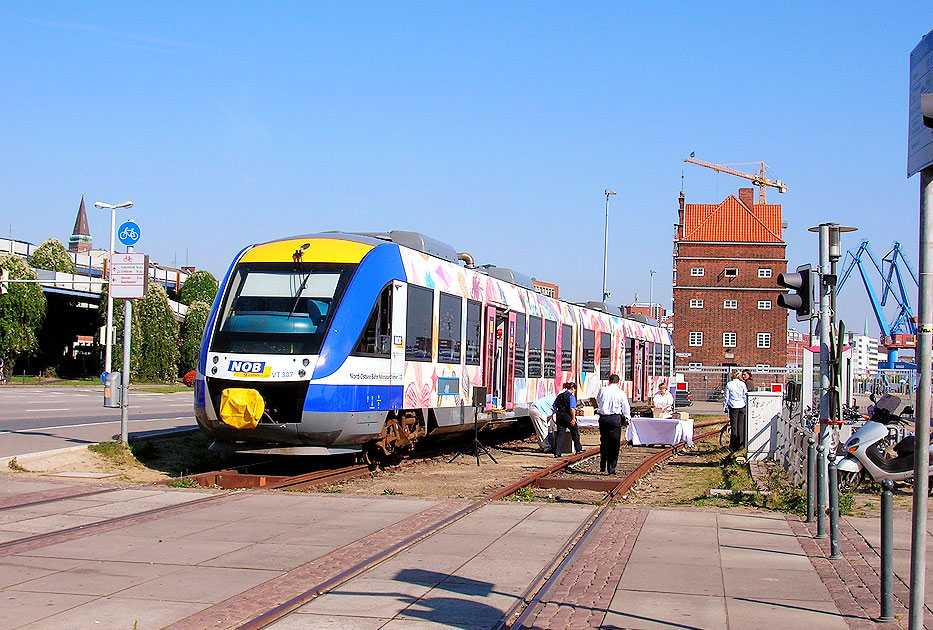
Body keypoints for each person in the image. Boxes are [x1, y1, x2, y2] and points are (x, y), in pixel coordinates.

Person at [596, 374, 630, 475]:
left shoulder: (602, 390)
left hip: (604, 418)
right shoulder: (621, 393)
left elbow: (598, 400)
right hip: (615, 418)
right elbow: (625, 406)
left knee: (604, 441)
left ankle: (602, 465)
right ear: (618, 382)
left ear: (609, 381)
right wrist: (627, 418)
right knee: (614, 444)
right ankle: (611, 469)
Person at [553, 381, 581, 458]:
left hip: (559, 416)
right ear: (572, 388)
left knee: (560, 434)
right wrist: (573, 418)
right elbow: (572, 408)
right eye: (574, 389)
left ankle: (557, 453)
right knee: (575, 432)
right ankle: (578, 449)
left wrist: (557, 413)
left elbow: (554, 406)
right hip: (567, 416)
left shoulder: (559, 396)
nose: (575, 390)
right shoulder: (571, 397)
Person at [724, 369, 748, 452]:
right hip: (742, 406)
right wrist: (745, 405)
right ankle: (740, 445)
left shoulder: (729, 384)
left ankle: (733, 445)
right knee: (740, 426)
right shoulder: (742, 384)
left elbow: (727, 397)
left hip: (733, 406)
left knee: (734, 426)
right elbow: (745, 395)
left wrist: (725, 407)